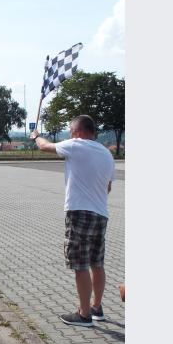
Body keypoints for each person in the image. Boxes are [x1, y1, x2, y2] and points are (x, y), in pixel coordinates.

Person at [30, 115, 115, 327]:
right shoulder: (106, 153)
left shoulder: (75, 145)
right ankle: (97, 308)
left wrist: (36, 136)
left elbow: (45, 147)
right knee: (97, 263)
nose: (69, 133)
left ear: (78, 131)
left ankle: (84, 314)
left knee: (80, 264)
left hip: (79, 212)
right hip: (101, 213)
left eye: (70, 129)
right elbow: (108, 188)